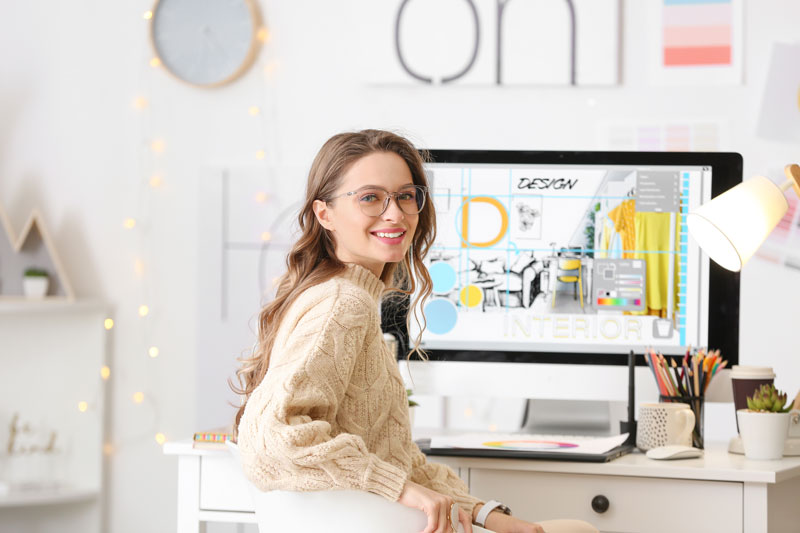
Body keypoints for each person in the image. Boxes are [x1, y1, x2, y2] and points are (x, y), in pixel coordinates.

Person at [233, 129, 598, 533]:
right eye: (370, 197)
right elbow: (272, 435)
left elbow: (397, 455)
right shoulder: (343, 304)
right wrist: (402, 490)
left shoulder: (337, 295)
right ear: (325, 214)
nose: (395, 214)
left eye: (405, 196)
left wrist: (489, 515)